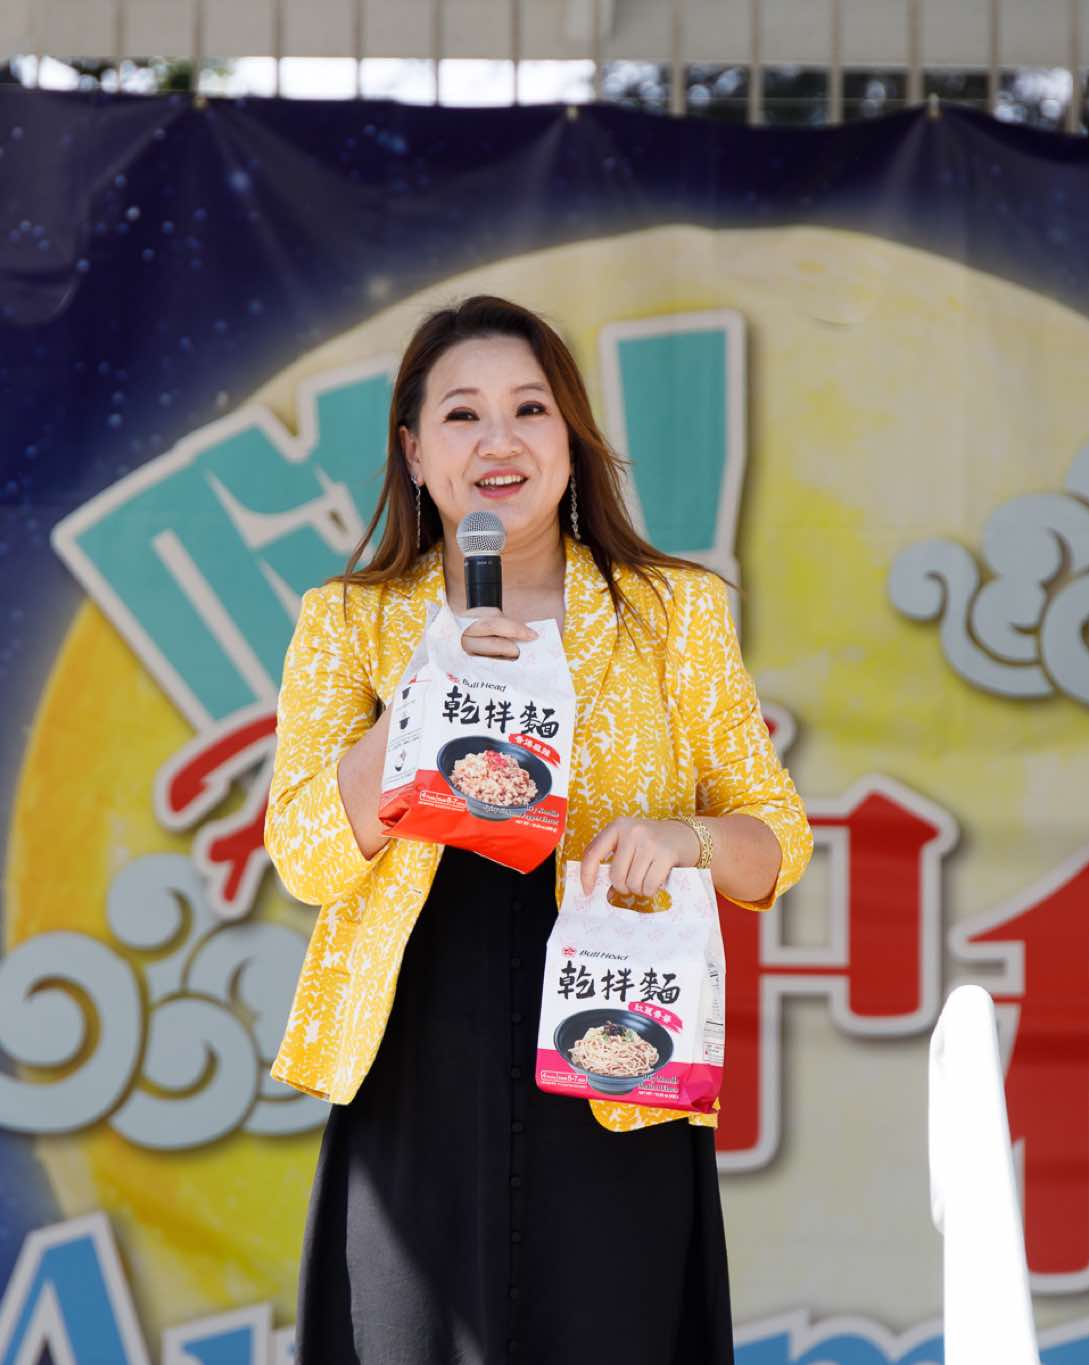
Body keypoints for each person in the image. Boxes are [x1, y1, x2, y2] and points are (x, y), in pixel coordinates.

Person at [264, 294, 813, 1364]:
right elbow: (307, 855)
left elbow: (775, 841)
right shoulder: (351, 619)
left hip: (615, 1058)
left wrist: (686, 839)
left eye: (529, 409)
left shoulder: (672, 611)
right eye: (462, 415)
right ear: (414, 452)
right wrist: (419, 698)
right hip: (418, 1071)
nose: (499, 441)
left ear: (571, 441)